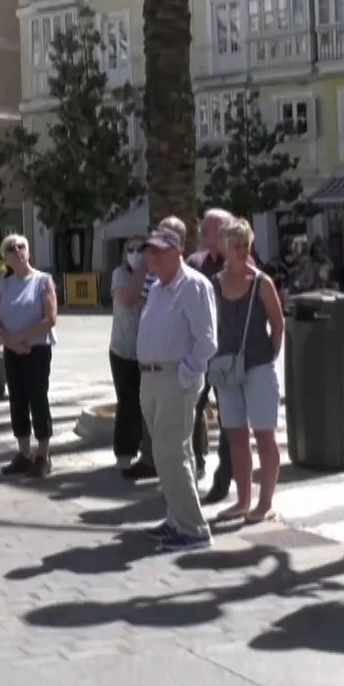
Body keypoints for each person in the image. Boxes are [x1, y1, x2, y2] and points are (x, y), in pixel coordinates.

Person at [134, 226, 217, 553]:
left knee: (171, 452)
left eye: (159, 251)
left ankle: (193, 528)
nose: (152, 258)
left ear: (177, 251)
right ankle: (177, 518)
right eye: (149, 251)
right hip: (151, 377)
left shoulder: (194, 285)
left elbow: (207, 340)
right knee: (170, 454)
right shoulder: (156, 288)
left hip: (173, 379)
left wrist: (185, 375)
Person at [210, 217, 286, 525]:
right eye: (236, 245)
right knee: (236, 437)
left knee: (264, 435)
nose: (242, 251)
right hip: (226, 369)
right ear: (224, 247)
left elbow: (278, 324)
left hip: (258, 367)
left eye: (246, 245)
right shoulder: (214, 285)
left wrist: (269, 358)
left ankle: (265, 502)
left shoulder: (261, 283)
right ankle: (243, 501)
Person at [0, 234, 59, 477]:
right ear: (5, 257)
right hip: (12, 350)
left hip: (36, 349)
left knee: (37, 398)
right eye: (11, 248)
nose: (17, 250)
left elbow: (50, 318)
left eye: (21, 246)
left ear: (28, 252)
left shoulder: (42, 280)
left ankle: (43, 454)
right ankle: (23, 453)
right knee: (17, 399)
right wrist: (8, 341)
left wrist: (21, 337)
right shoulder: (4, 284)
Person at [190, 210, 234, 506]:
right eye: (203, 228)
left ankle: (224, 478)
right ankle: (195, 464)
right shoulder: (195, 263)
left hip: (228, 352)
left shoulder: (240, 262)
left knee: (229, 414)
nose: (203, 232)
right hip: (199, 350)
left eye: (209, 228)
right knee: (192, 407)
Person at [109, 237, 147, 477]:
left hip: (149, 351)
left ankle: (147, 452)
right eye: (130, 249)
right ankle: (124, 452)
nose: (135, 253)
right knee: (127, 401)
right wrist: (143, 269)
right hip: (123, 349)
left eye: (140, 248)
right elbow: (126, 297)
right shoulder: (120, 274)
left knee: (148, 405)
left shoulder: (157, 275)